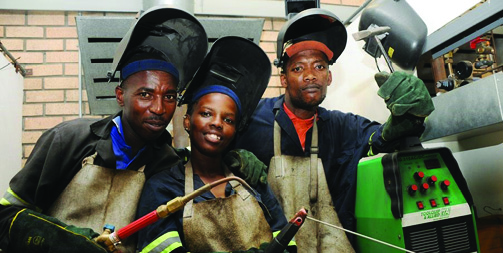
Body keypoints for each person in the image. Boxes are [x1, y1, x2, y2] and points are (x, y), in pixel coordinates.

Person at [0, 6, 207, 253]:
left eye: (170, 96)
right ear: (120, 95)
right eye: (145, 94)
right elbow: (6, 216)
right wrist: (67, 240)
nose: (159, 108)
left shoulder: (166, 163)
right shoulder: (68, 140)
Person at [233, 8, 435, 252]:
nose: (310, 76)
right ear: (284, 78)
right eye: (298, 68)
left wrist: (408, 120)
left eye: (319, 66)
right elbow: (205, 156)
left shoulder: (343, 127)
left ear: (329, 77)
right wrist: (229, 157)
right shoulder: (252, 120)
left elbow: (381, 139)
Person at [136, 36, 295, 253]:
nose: (217, 124)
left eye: (228, 120)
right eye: (206, 113)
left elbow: (286, 242)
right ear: (187, 121)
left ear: (235, 130)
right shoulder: (164, 188)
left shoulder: (250, 182)